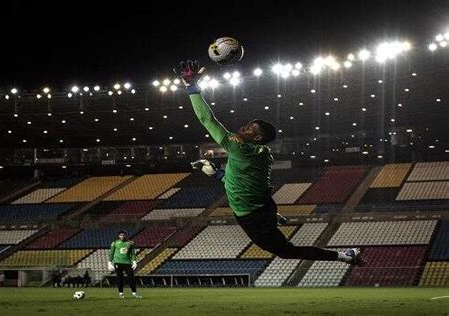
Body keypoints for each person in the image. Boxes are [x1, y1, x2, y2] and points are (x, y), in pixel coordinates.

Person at [174, 60, 364, 265]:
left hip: (253, 215)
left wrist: (192, 86)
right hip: (263, 205)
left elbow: (207, 119)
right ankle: (275, 217)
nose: (243, 128)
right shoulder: (262, 153)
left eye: (249, 129)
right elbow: (244, 182)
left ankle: (345, 256)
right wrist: (218, 174)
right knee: (265, 209)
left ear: (256, 138)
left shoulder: (238, 147)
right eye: (248, 125)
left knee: (285, 251)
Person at [107, 230, 142, 299]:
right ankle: (121, 293)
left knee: (131, 278)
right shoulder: (115, 243)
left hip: (128, 263)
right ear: (118, 236)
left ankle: (134, 293)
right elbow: (111, 253)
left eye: (123, 235)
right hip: (118, 262)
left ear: (126, 235)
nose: (122, 236)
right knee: (120, 278)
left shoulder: (130, 243)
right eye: (121, 235)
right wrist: (109, 262)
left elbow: (132, 254)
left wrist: (134, 261)